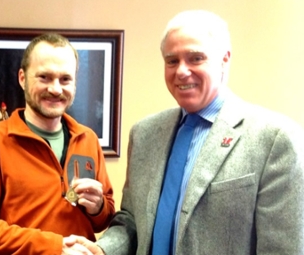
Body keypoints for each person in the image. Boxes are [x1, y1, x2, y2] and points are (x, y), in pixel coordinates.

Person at [71, 10, 304, 255]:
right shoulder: (144, 134)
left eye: (195, 58)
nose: (181, 71)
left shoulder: (275, 139)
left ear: (224, 59)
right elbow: (131, 221)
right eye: (172, 61)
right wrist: (103, 250)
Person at [0, 33, 115, 254]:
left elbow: (103, 220)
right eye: (44, 77)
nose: (56, 89)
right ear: (22, 78)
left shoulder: (87, 139)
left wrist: (98, 208)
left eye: (65, 79)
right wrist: (52, 247)